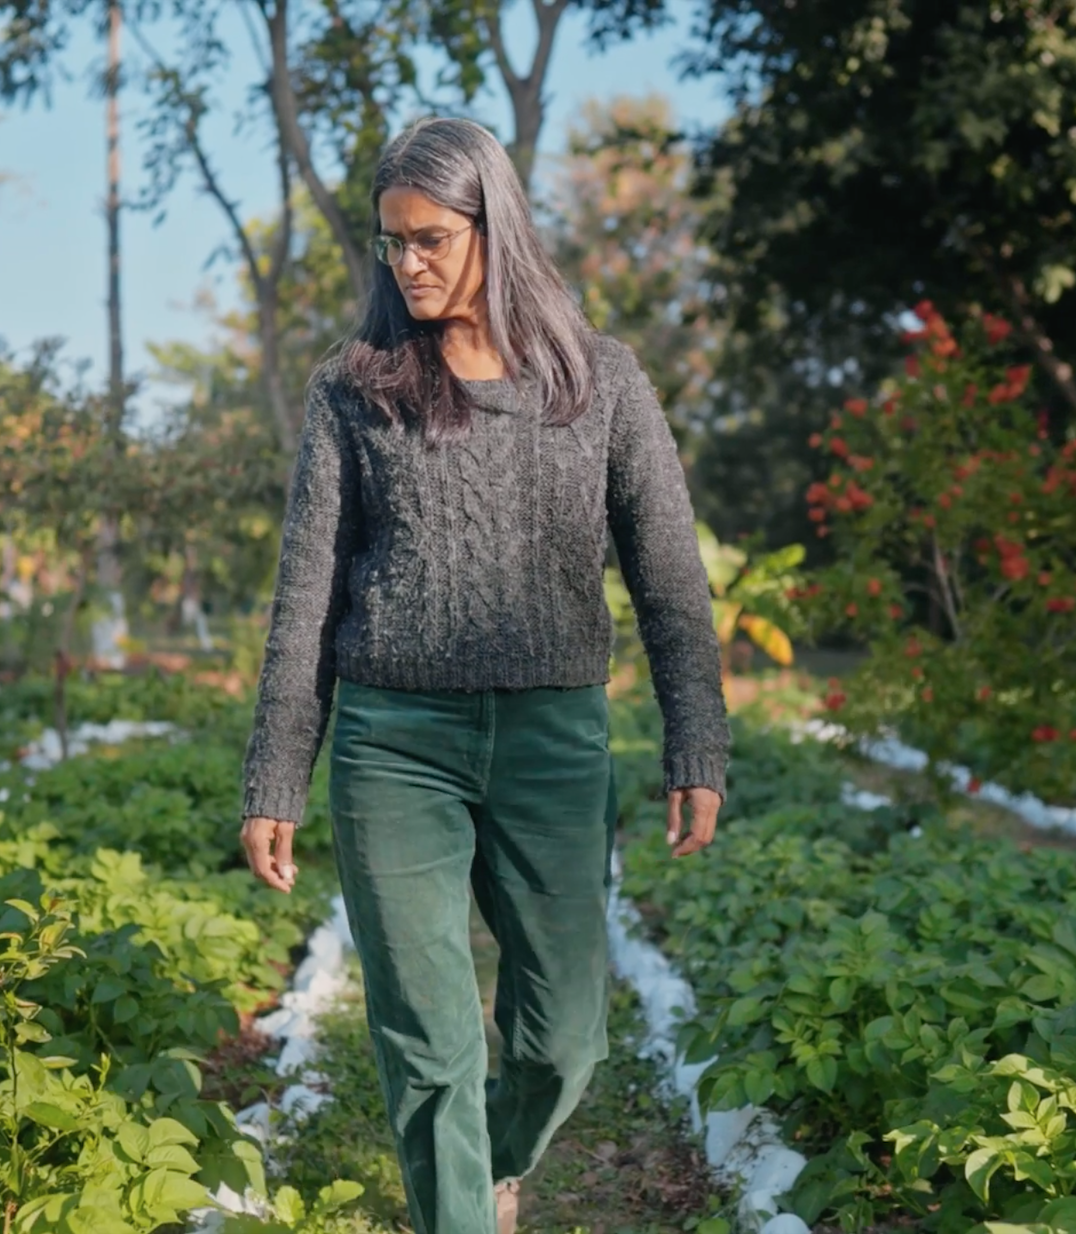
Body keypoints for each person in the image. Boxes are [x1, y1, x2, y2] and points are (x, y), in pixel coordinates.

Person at [237, 114, 729, 1234]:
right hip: (392, 744)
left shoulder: (601, 383)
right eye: (390, 244)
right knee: (428, 1036)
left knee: (564, 1035)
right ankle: (461, 1213)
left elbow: (669, 579)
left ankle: (496, 1162)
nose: (405, 265)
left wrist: (696, 740)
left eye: (428, 241)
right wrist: (276, 774)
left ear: (490, 227)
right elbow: (304, 600)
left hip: (552, 742)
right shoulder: (351, 390)